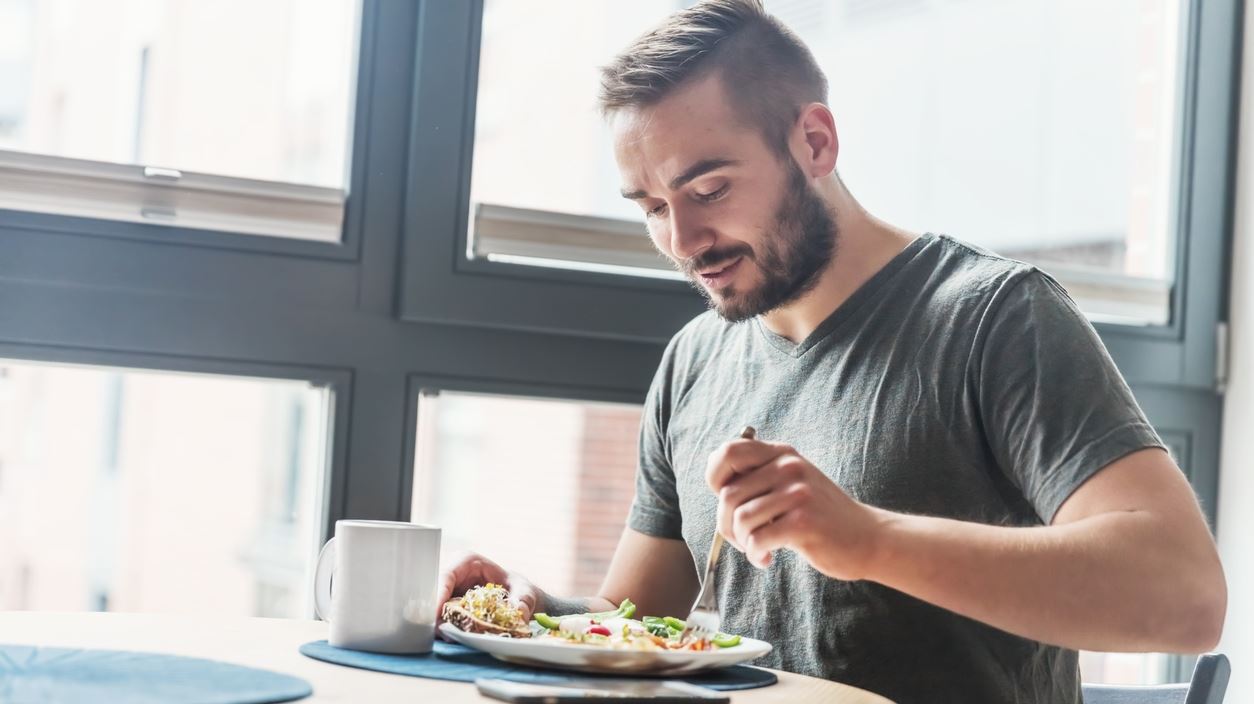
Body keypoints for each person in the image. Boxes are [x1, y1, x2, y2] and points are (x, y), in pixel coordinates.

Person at [437, 1, 1227, 701]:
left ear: (814, 142)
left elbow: (1185, 596)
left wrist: (869, 540)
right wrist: (535, 609)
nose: (682, 242)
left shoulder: (996, 318)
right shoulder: (693, 360)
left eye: (709, 190)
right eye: (651, 208)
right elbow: (640, 620)